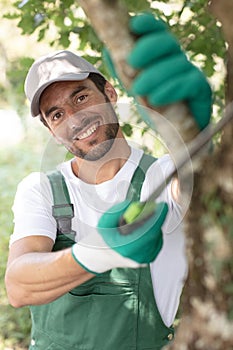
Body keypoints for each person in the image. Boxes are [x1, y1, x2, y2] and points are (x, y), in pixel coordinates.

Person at [5, 14, 212, 350]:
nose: (74, 118)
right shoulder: (41, 188)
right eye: (56, 114)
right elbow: (19, 286)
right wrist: (100, 251)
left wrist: (192, 140)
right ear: (52, 133)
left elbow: (197, 185)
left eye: (81, 97)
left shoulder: (160, 176)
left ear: (110, 93)